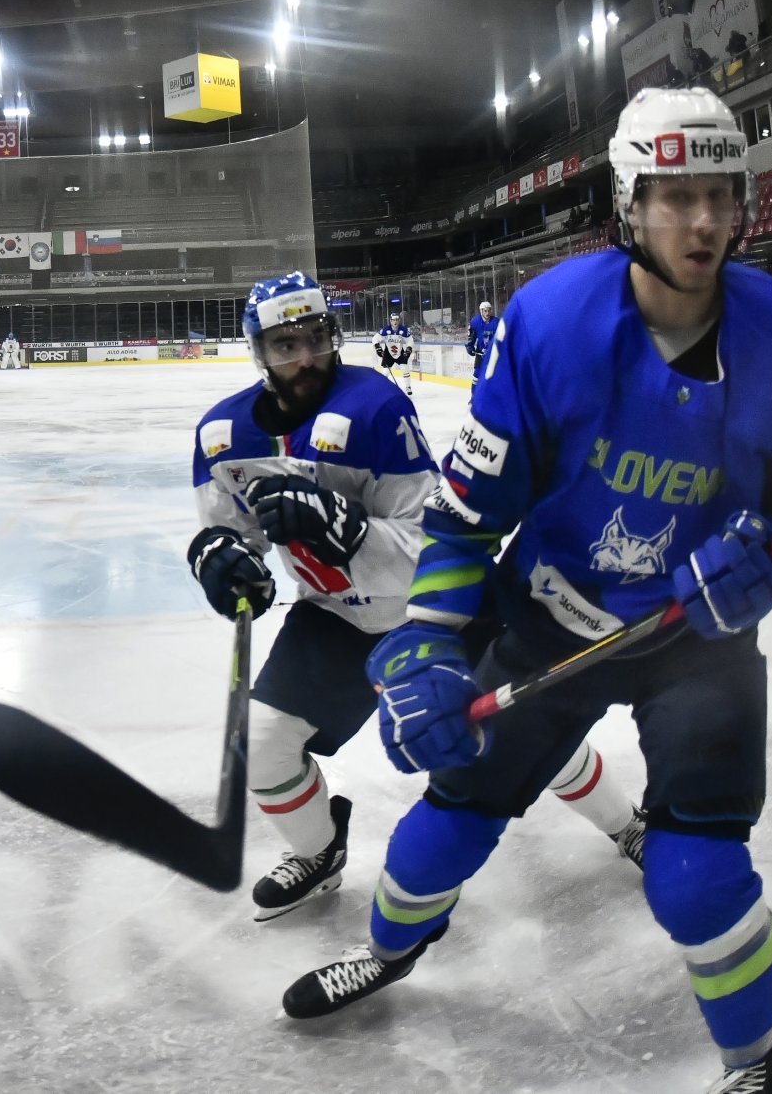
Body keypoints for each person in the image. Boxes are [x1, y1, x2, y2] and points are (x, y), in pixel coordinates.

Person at [283, 86, 772, 1094]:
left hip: (699, 642)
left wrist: (767, 559)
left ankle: (757, 1059)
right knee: (444, 823)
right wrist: (424, 640)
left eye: (722, 194)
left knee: (697, 875)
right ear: (628, 203)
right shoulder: (547, 325)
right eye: (676, 197)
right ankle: (391, 948)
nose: (705, 221)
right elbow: (466, 518)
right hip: (546, 614)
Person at [189, 272, 642, 927]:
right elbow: (232, 532)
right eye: (286, 344)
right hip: (335, 617)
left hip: (436, 611)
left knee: (530, 737)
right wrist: (221, 559)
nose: (306, 356)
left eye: (316, 337)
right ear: (258, 350)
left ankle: (628, 824)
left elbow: (436, 539)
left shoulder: (375, 408)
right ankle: (319, 851)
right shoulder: (221, 437)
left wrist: (349, 528)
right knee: (260, 743)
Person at [373, 317, 413, 390]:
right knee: (385, 372)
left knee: (405, 369)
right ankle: (382, 388)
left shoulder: (403, 330)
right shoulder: (385, 330)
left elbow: (410, 340)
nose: (395, 322)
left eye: (397, 320)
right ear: (390, 321)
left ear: (399, 321)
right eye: (393, 320)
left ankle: (408, 387)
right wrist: (378, 348)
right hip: (388, 353)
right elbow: (375, 338)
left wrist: (409, 348)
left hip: (400, 352)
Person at [465, 299, 498, 371]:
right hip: (480, 354)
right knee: (477, 376)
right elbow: (471, 337)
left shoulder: (496, 322)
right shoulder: (475, 322)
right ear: (481, 311)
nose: (487, 313)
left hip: (493, 355)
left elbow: (500, 339)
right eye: (485, 311)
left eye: (489, 310)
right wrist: (470, 346)